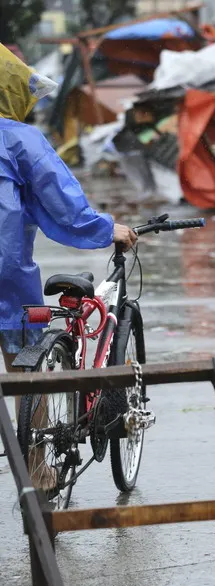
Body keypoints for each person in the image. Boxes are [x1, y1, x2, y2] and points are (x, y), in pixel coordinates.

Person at [0, 44, 136, 488]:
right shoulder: (18, 138)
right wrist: (106, 228)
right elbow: (61, 202)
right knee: (24, 367)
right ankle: (38, 473)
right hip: (5, 271)